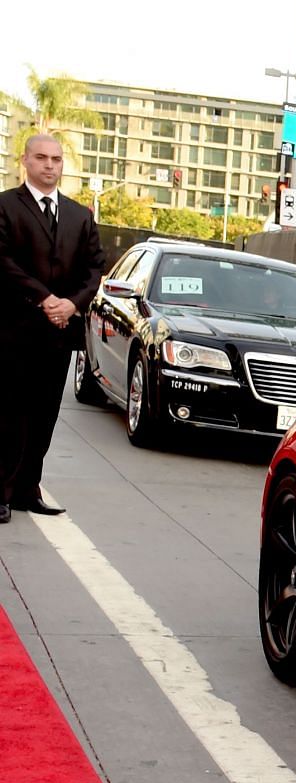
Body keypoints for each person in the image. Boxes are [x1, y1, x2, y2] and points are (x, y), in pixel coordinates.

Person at [0, 134, 103, 523]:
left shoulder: (80, 216)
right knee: (9, 413)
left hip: (58, 334)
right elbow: (3, 261)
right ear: (25, 160)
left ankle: (28, 489)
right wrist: (44, 298)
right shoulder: (6, 207)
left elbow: (95, 268)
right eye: (41, 158)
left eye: (56, 159)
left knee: (44, 414)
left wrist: (72, 303)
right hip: (12, 331)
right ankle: (2, 492)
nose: (49, 165)